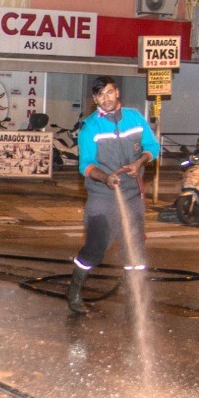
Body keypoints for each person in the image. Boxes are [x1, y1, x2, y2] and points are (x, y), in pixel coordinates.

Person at [65, 76, 159, 315]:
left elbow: (153, 146)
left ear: (117, 93)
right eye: (100, 95)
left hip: (131, 195)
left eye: (109, 92)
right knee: (96, 247)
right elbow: (85, 164)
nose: (105, 98)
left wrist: (140, 162)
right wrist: (105, 178)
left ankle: (132, 293)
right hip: (103, 196)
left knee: (134, 247)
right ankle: (74, 291)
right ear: (95, 99)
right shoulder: (90, 127)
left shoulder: (135, 118)